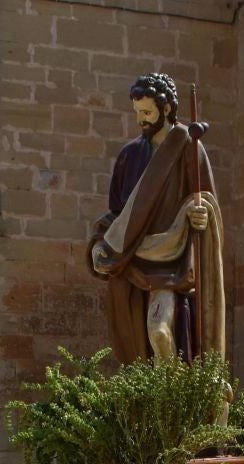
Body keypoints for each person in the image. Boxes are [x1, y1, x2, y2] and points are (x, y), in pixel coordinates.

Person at [89, 73, 223, 363]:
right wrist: (99, 244)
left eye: (147, 112)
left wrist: (201, 214)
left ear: (166, 109)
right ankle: (151, 403)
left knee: (161, 333)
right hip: (134, 262)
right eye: (137, 113)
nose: (141, 120)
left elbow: (207, 202)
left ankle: (175, 401)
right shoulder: (129, 155)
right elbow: (117, 215)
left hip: (173, 265)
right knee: (138, 350)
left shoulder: (190, 149)